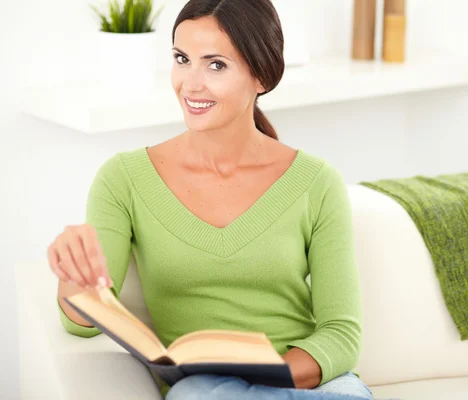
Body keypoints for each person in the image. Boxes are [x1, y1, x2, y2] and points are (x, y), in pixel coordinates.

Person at [47, 0, 371, 399]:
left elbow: (342, 334)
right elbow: (84, 322)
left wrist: (271, 382)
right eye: (182, 59)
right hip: (206, 389)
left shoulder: (316, 183)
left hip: (311, 385)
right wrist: (73, 277)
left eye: (215, 64)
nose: (191, 83)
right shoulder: (123, 180)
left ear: (262, 77)